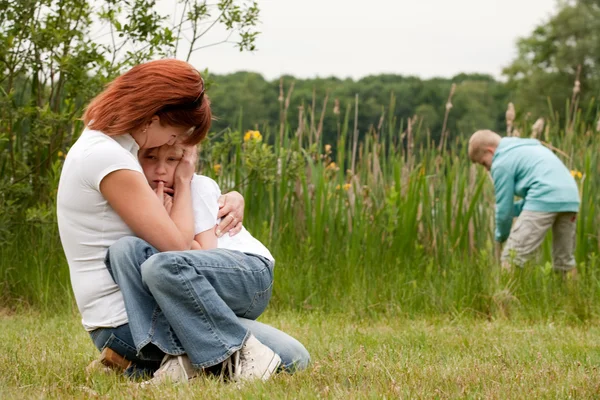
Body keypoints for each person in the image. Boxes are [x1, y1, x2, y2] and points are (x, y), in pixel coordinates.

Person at [56, 59, 309, 385]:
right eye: (174, 133)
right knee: (292, 357)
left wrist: (228, 195)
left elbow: (190, 204)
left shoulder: (105, 145)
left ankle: (143, 364)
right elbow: (176, 247)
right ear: (153, 118)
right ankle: (188, 359)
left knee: (134, 252)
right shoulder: (110, 158)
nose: (172, 143)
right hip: (130, 321)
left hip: (130, 317)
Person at [468, 130, 580, 275]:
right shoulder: (529, 148)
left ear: (490, 150)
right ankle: (573, 296)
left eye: (484, 163)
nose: (487, 168)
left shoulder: (501, 162)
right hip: (570, 198)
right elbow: (538, 195)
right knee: (565, 262)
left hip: (544, 197)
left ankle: (503, 296)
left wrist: (500, 235)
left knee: (512, 256)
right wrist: (515, 209)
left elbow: (504, 210)